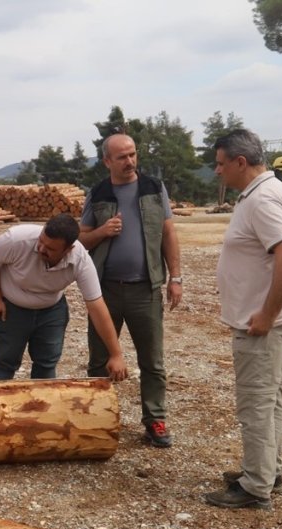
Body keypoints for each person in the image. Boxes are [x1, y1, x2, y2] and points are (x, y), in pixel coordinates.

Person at [204, 128, 282, 510]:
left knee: (256, 403)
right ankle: (267, 470)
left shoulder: (263, 199)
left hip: (265, 326)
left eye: (220, 163)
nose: (218, 171)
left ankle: (255, 486)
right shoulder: (268, 193)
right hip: (278, 322)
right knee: (271, 399)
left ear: (240, 162)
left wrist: (266, 313)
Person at [78, 133, 183, 448]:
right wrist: (102, 231)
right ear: (107, 161)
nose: (130, 161)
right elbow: (81, 239)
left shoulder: (153, 188)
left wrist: (175, 277)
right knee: (99, 361)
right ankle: (96, 420)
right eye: (122, 157)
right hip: (105, 291)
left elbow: (167, 233)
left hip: (145, 290)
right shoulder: (98, 193)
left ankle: (156, 421)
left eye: (133, 154)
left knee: (152, 361)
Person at [0, 213, 129, 383]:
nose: (42, 249)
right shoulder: (18, 239)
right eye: (41, 242)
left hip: (51, 310)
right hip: (11, 306)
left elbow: (96, 306)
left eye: (50, 249)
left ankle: (41, 408)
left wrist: (116, 354)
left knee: (46, 365)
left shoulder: (80, 260)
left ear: (68, 249)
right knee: (4, 363)